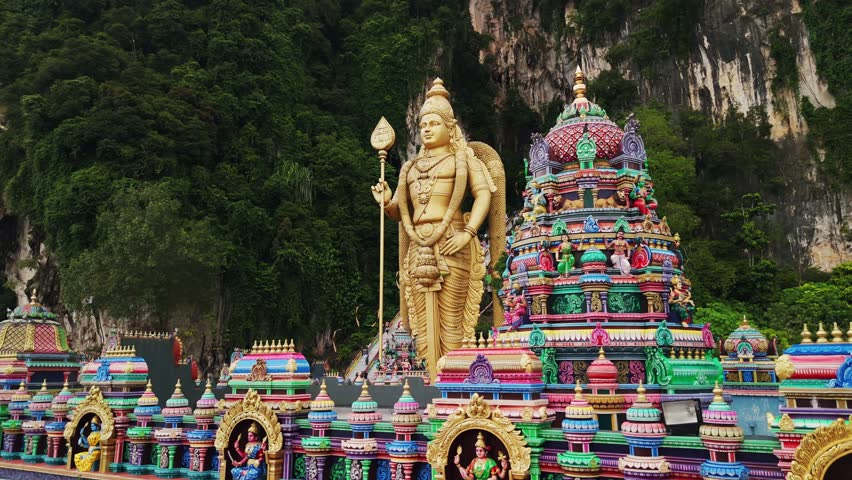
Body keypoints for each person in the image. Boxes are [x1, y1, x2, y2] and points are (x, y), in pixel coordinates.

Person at [371, 78, 503, 377]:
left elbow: (484, 193)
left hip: (452, 241)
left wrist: (468, 232)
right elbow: (400, 213)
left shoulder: (462, 159)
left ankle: (455, 382)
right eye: (423, 125)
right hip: (419, 246)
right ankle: (433, 381)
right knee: (423, 328)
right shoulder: (411, 167)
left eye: (434, 123)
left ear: (450, 127)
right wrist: (387, 202)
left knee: (453, 321)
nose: (427, 129)